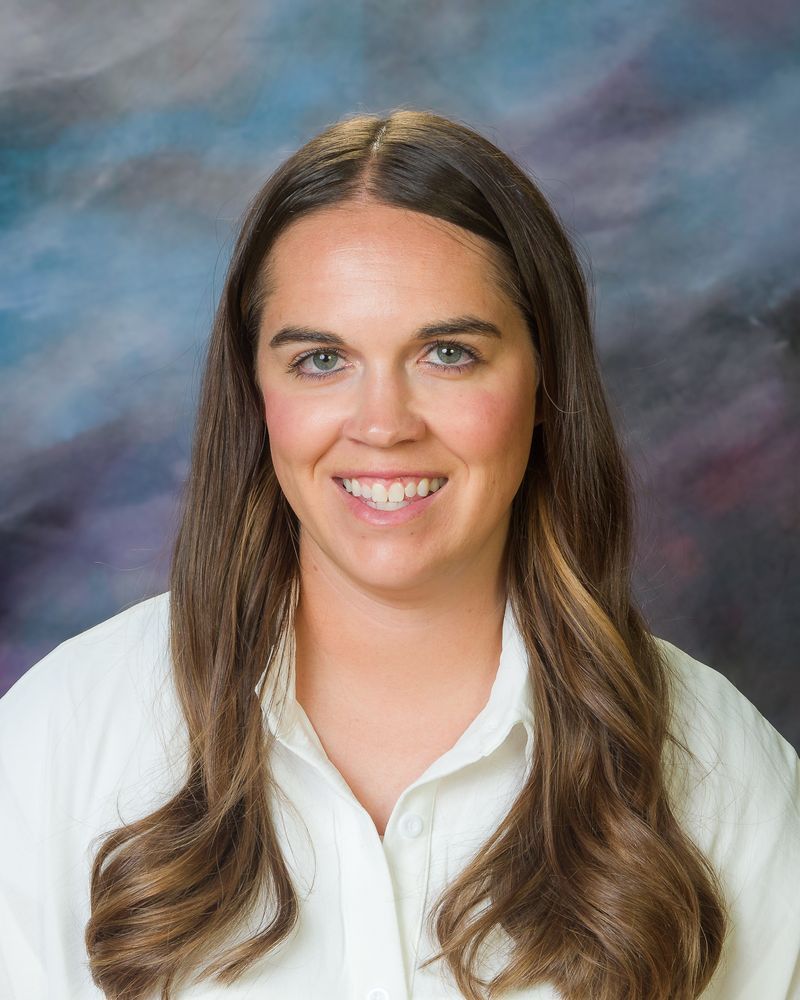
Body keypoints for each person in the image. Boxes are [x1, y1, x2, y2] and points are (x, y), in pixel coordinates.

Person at [0, 109, 798, 1000]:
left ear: (545, 384)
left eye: (448, 353)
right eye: (321, 360)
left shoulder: (723, 772)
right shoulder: (58, 742)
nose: (383, 425)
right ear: (254, 391)